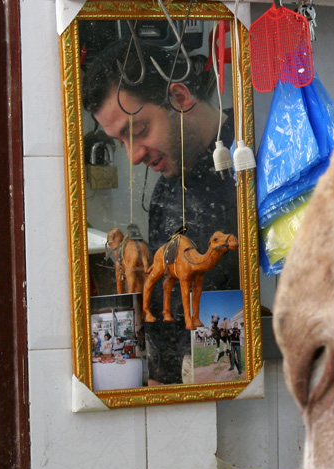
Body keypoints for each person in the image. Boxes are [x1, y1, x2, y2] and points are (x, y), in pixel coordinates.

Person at [82, 36, 239, 385]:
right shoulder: (168, 184)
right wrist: (161, 379)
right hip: (172, 391)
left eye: (137, 131)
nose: (133, 156)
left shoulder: (248, 163)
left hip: (237, 386)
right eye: (121, 142)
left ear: (179, 98)